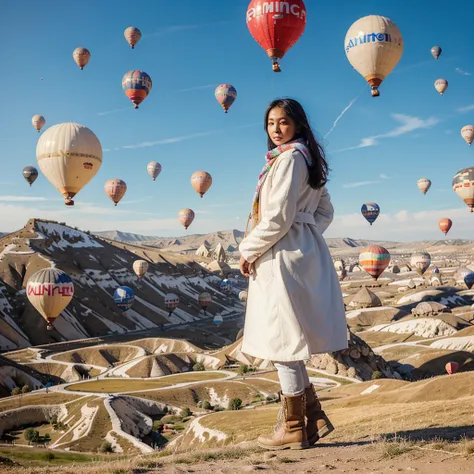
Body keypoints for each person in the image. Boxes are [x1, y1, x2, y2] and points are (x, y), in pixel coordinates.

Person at [239, 98, 347, 451]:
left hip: (280, 255)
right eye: (270, 122)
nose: (276, 128)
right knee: (289, 339)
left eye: (283, 121)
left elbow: (278, 217)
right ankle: (311, 418)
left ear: (298, 125)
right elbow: (325, 211)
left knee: (281, 340)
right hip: (298, 251)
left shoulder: (287, 160)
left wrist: (248, 248)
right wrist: (307, 233)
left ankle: (292, 427)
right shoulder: (308, 160)